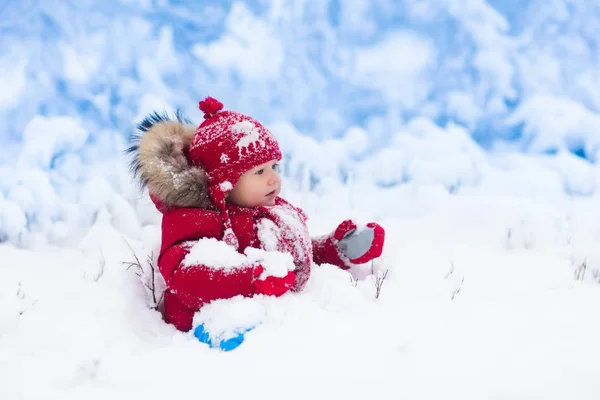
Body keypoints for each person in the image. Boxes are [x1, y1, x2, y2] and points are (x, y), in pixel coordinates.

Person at [128, 96, 385, 335]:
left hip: (276, 318)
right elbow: (184, 276)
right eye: (259, 172)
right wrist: (249, 278)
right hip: (207, 328)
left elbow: (291, 261)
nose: (275, 177)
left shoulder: (271, 212)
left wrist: (332, 249)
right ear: (225, 182)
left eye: (274, 166)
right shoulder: (196, 219)